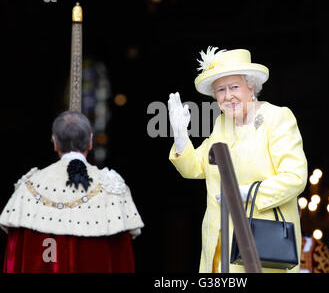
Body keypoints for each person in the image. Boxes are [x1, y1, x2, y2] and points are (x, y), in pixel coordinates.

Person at [168, 47, 308, 273]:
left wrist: (244, 193)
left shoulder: (277, 118)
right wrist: (181, 137)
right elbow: (195, 168)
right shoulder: (222, 124)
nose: (227, 96)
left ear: (251, 86)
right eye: (220, 90)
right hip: (218, 248)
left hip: (259, 248)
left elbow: (295, 177)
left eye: (234, 87)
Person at [0, 111, 144, 272]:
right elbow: (123, 261)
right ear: (90, 140)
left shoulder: (27, 187)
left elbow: (13, 259)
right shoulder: (114, 188)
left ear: (55, 142)